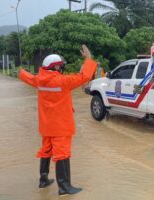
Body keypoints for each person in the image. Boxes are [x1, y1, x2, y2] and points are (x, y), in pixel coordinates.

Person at [18, 44, 97, 196]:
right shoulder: (63, 82)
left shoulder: (39, 80)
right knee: (62, 154)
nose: (62, 69)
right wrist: (88, 58)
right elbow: (84, 77)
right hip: (61, 126)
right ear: (56, 68)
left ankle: (43, 180)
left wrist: (21, 72)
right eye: (61, 67)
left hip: (46, 125)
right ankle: (64, 187)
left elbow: (28, 78)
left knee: (46, 150)